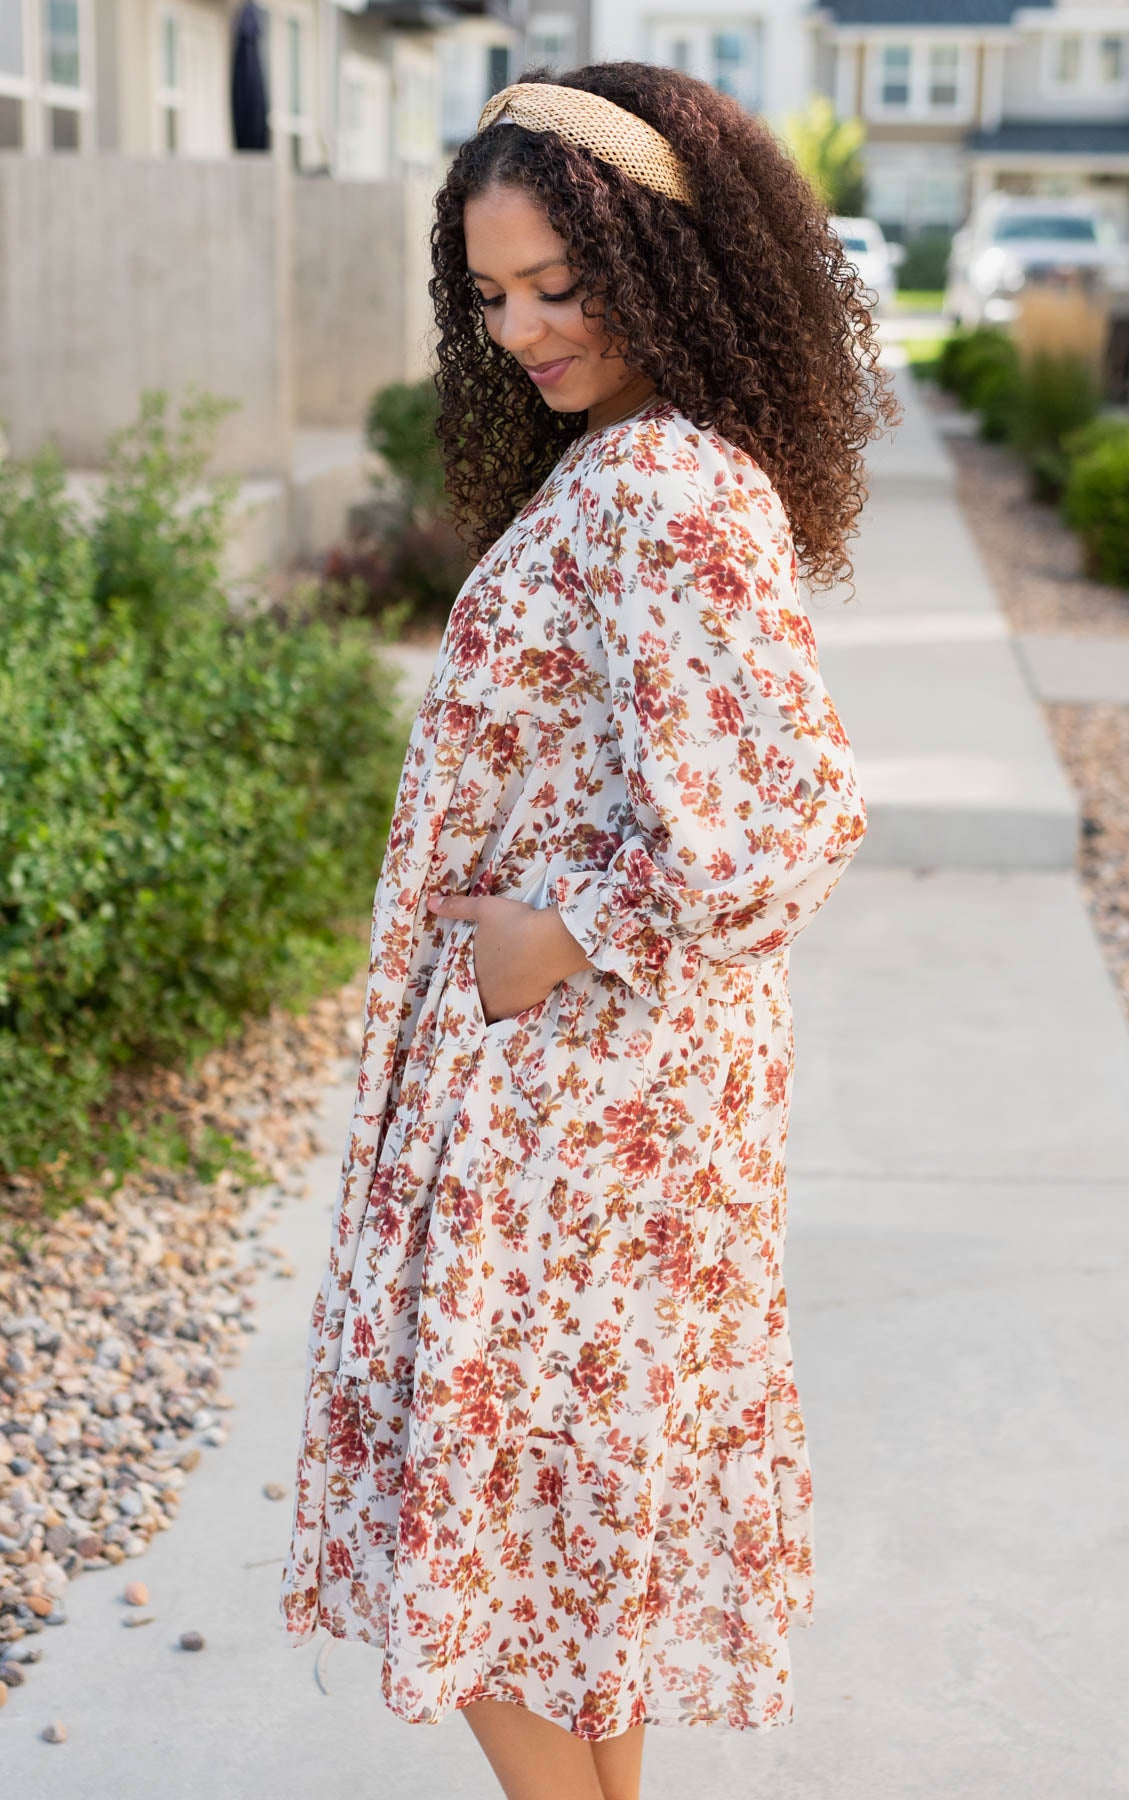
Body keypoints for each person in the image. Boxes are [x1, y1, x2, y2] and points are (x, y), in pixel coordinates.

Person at [279, 60, 900, 1800]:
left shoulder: (657, 490)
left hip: (576, 1106)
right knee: (561, 1541)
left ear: (667, 261)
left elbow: (796, 805)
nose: (527, 326)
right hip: (595, 1095)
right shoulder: (644, 466)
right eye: (493, 295)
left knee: (481, 1524)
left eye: (562, 282)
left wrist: (561, 923)